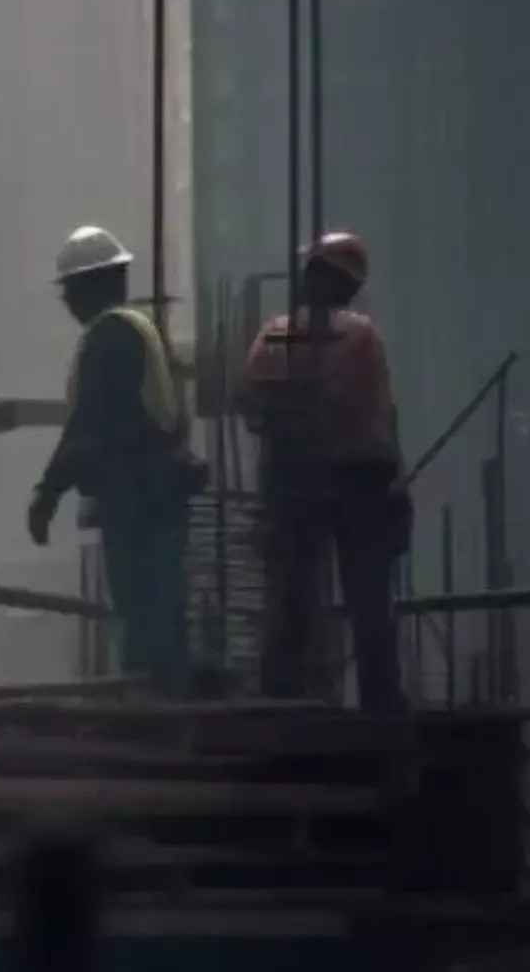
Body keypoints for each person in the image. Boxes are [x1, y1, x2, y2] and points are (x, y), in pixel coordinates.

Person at [29, 227, 200, 698]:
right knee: (158, 598)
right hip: (155, 483)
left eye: (70, 290)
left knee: (142, 600)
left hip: (135, 487)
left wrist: (48, 492)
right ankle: (166, 691)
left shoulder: (111, 335)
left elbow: (90, 423)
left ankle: (155, 699)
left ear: (94, 285)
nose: (67, 302)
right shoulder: (144, 327)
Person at [240, 231, 407, 713]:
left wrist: (283, 418)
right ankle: (379, 700)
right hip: (360, 475)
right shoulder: (363, 336)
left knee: (291, 592)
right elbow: (371, 411)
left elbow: (251, 399)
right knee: (366, 597)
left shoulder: (280, 331)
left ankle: (282, 695)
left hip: (302, 475)